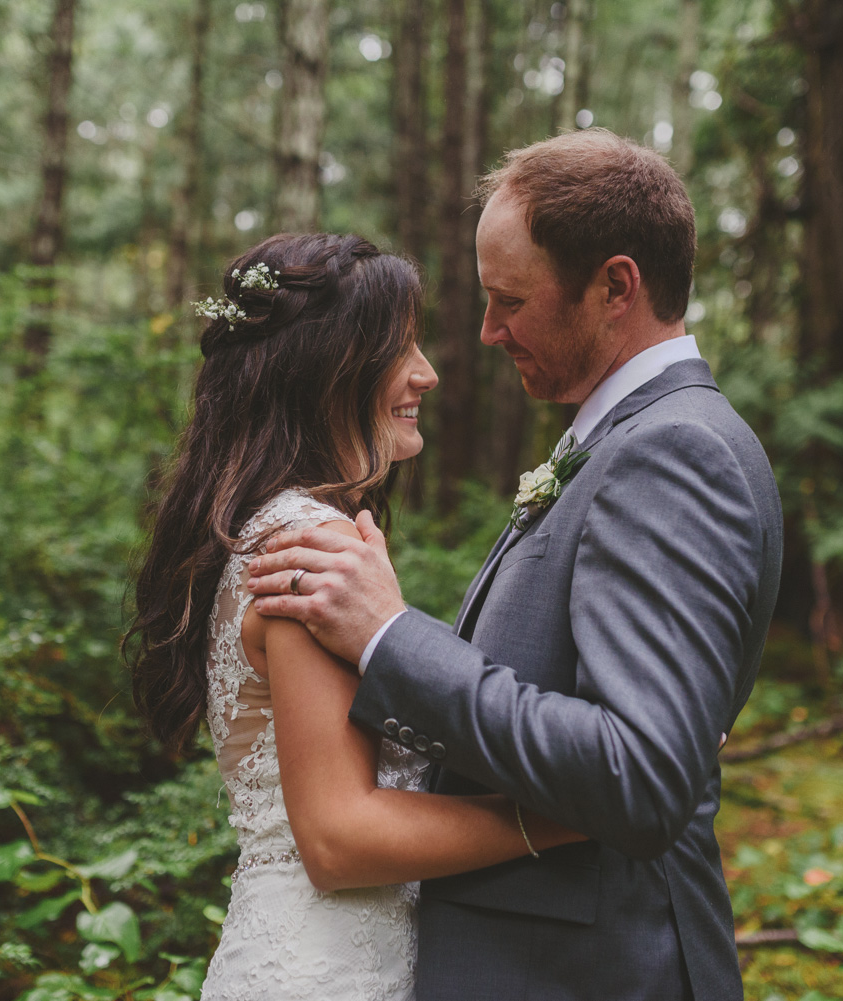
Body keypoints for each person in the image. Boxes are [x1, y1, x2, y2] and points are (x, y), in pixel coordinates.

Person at [246, 129, 784, 1000]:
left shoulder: (671, 450)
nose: (490, 332)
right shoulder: (627, 439)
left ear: (616, 286)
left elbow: (640, 775)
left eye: (511, 300)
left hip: (589, 971)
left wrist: (389, 637)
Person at [126, 232, 585, 1001]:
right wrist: (568, 816)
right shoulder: (308, 542)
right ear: (328, 370)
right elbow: (337, 836)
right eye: (399, 347)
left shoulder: (268, 526)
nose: (427, 373)